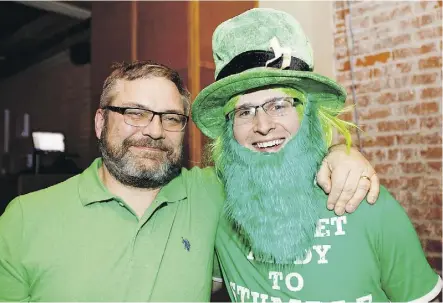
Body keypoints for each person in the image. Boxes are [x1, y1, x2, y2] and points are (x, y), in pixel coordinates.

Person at [0, 61, 377, 301]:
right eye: (134, 113)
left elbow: (275, 154)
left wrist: (341, 151)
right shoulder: (24, 217)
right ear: (101, 122)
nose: (154, 130)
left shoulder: (212, 191)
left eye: (171, 118)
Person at [191, 8, 442, 302]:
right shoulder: (219, 205)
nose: (263, 125)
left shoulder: (364, 202)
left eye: (280, 104)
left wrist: (341, 149)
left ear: (309, 114)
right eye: (244, 111)